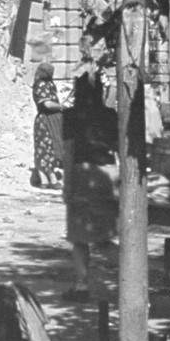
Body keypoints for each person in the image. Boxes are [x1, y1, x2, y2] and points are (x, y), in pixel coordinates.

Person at [62, 71, 119, 302]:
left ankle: (81, 285)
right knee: (104, 237)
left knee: (79, 236)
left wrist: (67, 184)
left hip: (82, 174)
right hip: (107, 174)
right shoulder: (110, 114)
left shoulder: (71, 115)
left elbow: (68, 151)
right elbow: (117, 147)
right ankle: (133, 278)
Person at [31, 62, 64, 189]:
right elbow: (47, 104)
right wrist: (60, 106)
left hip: (53, 120)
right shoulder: (40, 85)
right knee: (46, 149)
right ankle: (50, 180)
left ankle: (45, 180)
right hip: (45, 121)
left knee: (51, 148)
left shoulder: (49, 84)